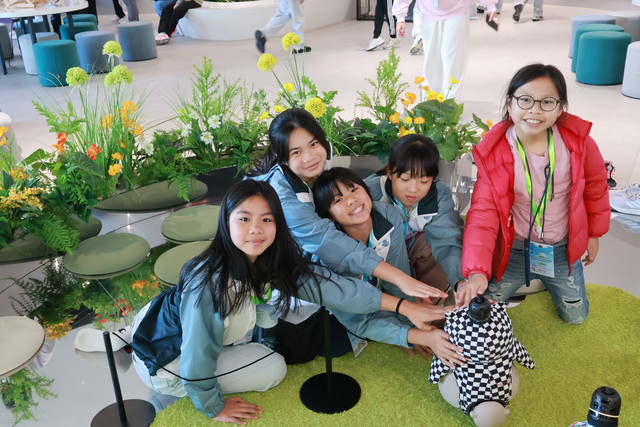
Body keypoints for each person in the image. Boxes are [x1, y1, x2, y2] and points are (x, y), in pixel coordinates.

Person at [131, 180, 460, 422]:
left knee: (268, 343)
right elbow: (197, 354)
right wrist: (213, 407)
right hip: (167, 358)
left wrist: (405, 307)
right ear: (226, 221)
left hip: (163, 328)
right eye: (244, 219)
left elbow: (336, 290)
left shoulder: (268, 262)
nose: (256, 229)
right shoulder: (209, 283)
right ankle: (167, 393)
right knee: (272, 369)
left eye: (266, 219)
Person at [457, 64, 610, 324]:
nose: (535, 110)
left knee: (576, 317)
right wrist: (477, 271)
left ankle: (550, 281)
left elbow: (596, 188)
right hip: (515, 249)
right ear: (510, 102)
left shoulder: (579, 144)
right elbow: (482, 214)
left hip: (562, 249)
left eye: (547, 102)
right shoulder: (495, 152)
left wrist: (594, 234)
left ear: (561, 107)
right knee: (481, 314)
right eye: (525, 100)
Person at [247, 108, 448, 303]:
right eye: (296, 152)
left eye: (314, 144)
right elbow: (326, 241)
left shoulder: (315, 170)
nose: (309, 157)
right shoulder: (283, 195)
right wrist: (400, 279)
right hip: (270, 272)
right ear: (281, 156)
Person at [312, 167, 462, 360]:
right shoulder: (331, 254)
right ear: (329, 216)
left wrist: (412, 321)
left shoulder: (387, 215)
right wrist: (410, 335)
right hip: (338, 304)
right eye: (338, 200)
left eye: (354, 189)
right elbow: (359, 319)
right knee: (334, 345)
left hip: (377, 290)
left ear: (366, 190)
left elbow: (399, 275)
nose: (351, 200)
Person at [364, 135, 464, 306]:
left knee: (435, 242)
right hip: (381, 259)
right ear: (390, 172)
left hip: (417, 254)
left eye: (424, 181)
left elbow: (447, 240)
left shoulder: (439, 194)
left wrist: (460, 281)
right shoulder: (369, 192)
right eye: (405, 179)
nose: (413, 189)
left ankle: (431, 302)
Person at [392, 0, 498, 99]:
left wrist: (490, 4)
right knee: (431, 60)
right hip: (429, 12)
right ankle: (430, 101)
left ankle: (451, 101)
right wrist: (400, 17)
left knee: (453, 60)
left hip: (457, 10)